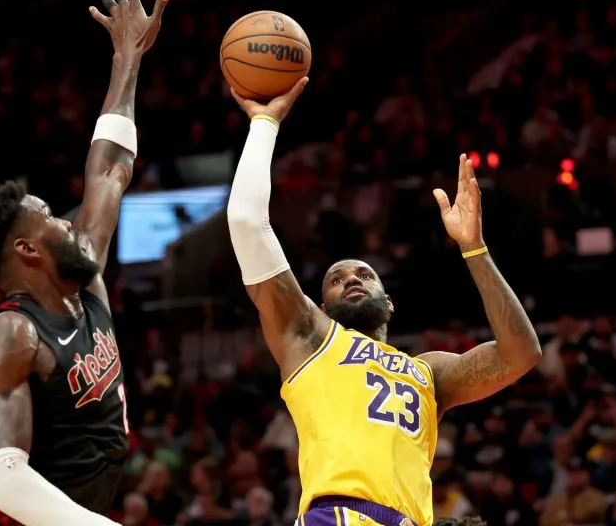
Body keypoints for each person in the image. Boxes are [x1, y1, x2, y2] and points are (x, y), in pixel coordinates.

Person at [224, 80, 542, 526]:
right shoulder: (310, 337)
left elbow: (521, 353)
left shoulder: (429, 373)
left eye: (364, 275)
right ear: (323, 307)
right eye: (336, 280)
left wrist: (475, 249)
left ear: (389, 303)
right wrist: (264, 123)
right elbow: (246, 222)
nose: (352, 279)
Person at [0, 0, 169, 526]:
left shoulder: (85, 277)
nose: (69, 222)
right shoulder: (9, 335)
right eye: (50, 217)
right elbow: (7, 483)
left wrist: (127, 58)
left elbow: (110, 171)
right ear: (26, 251)